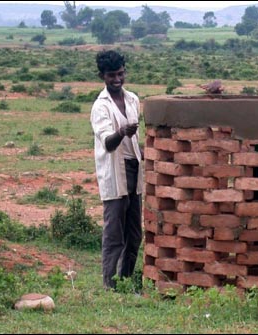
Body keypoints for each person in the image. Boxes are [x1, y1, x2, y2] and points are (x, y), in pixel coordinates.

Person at [90, 50, 144, 290]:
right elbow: (108, 143)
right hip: (115, 173)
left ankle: (126, 280)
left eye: (120, 74)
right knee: (114, 235)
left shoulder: (132, 99)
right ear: (102, 76)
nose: (117, 80)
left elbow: (137, 139)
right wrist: (121, 132)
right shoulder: (100, 107)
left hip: (134, 170)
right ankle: (109, 284)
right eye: (111, 75)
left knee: (134, 234)